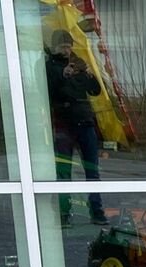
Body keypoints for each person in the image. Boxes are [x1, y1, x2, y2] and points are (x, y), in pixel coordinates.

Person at [45, 30, 105, 226]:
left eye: (68, 46)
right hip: (64, 122)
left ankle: (97, 210)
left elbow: (95, 91)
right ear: (55, 47)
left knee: (92, 170)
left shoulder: (78, 63)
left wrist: (88, 74)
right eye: (63, 46)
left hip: (85, 121)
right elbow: (47, 91)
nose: (66, 49)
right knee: (63, 171)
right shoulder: (49, 67)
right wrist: (63, 75)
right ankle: (64, 212)